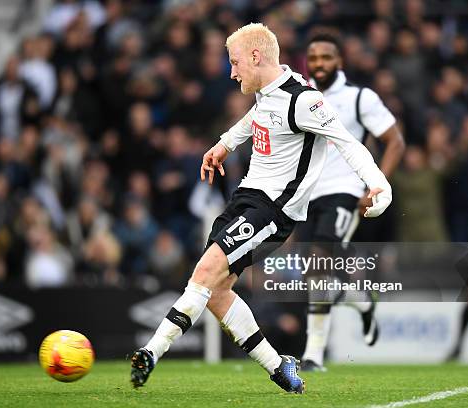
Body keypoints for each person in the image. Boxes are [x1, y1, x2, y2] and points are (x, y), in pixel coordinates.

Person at [129, 23, 392, 394]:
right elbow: (258, 119)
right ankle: (278, 366)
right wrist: (224, 144)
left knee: (203, 273)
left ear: (256, 57)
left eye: (235, 62)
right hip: (244, 201)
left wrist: (379, 184)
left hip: (273, 212)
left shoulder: (305, 101)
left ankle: (150, 352)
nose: (232, 71)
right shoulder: (269, 92)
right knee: (217, 293)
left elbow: (348, 143)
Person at [295, 33, 405, 372]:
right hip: (305, 196)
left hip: (344, 191)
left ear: (339, 61)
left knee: (319, 265)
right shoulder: (298, 97)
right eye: (313, 58)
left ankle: (313, 355)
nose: (319, 64)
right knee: (312, 277)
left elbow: (395, 141)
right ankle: (360, 303)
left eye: (326, 57)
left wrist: (376, 185)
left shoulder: (359, 97)